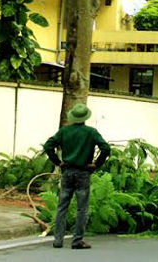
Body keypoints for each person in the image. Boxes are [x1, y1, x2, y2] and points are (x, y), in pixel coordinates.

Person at [43, 103, 111, 250]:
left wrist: (58, 162)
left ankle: (58, 240)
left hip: (67, 172)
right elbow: (106, 148)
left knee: (62, 207)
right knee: (82, 208)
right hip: (83, 173)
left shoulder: (64, 131)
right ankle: (77, 240)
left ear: (72, 117)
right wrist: (96, 164)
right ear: (85, 117)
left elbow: (48, 146)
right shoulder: (91, 132)